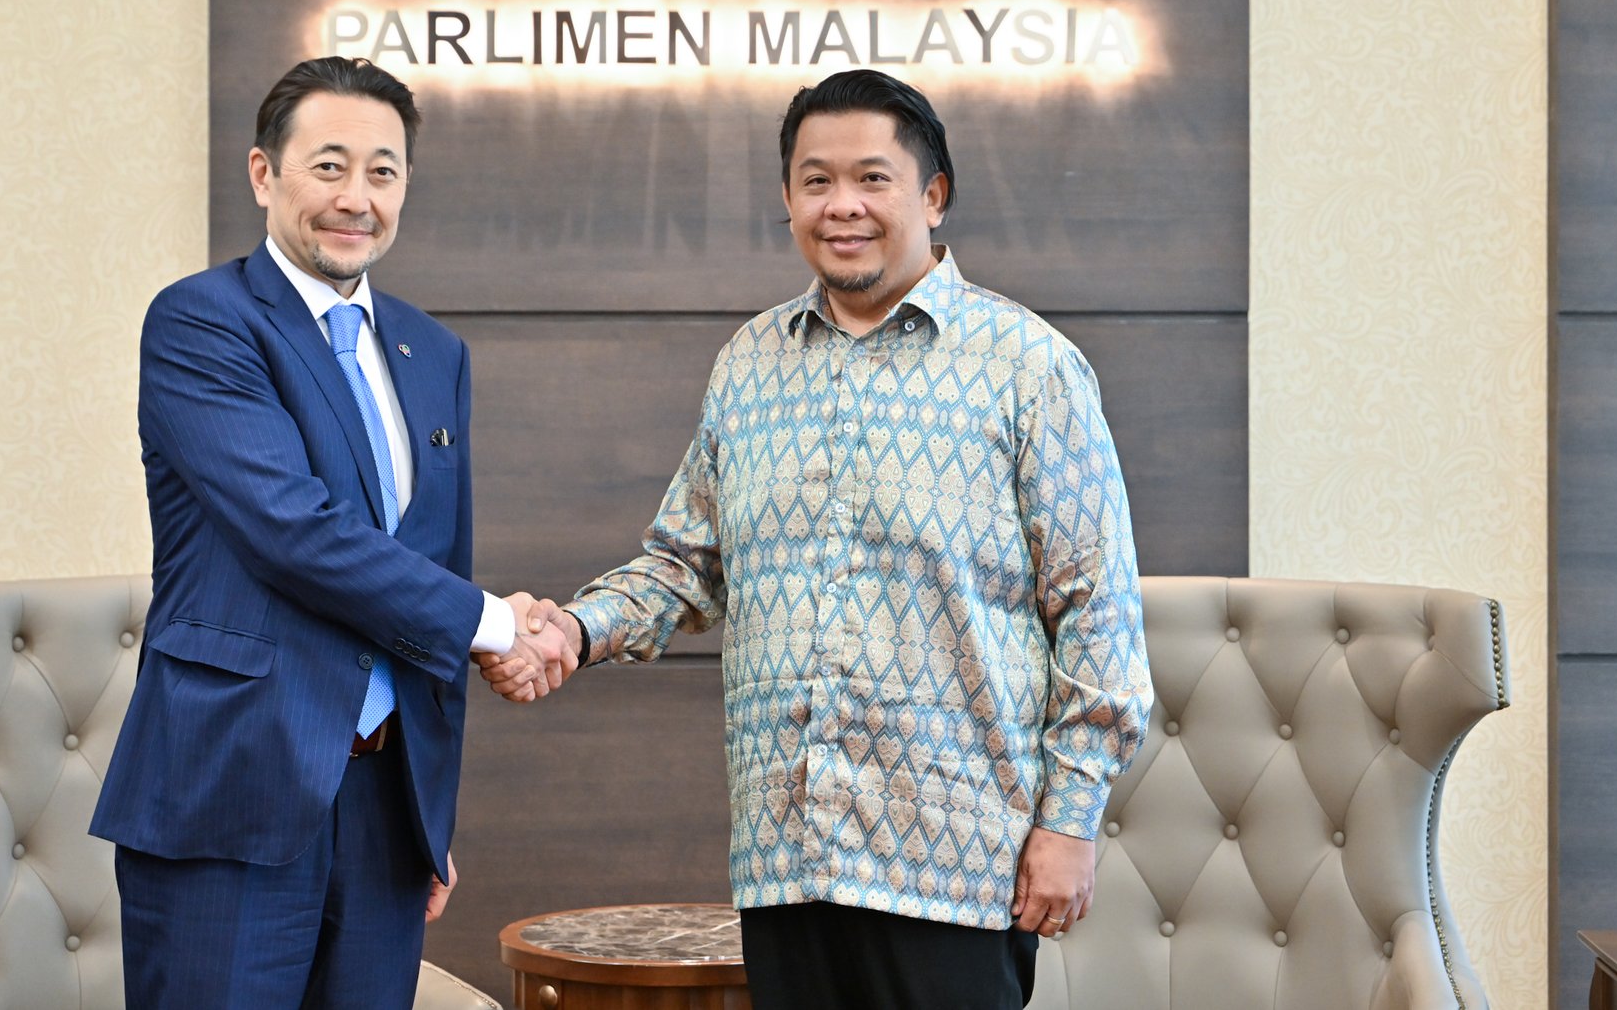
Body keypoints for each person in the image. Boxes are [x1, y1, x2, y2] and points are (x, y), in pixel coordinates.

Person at [482, 68, 1153, 1010]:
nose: (843, 205)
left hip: (957, 865)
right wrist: (572, 630)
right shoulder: (749, 365)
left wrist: (1071, 821)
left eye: (873, 178)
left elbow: (1097, 611)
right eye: (816, 180)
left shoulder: (1030, 367)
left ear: (933, 194)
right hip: (788, 860)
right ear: (789, 198)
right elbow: (686, 564)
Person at [92, 56, 575, 1009]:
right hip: (233, 793)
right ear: (263, 174)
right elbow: (293, 531)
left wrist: (429, 813)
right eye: (329, 166)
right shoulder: (203, 323)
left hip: (385, 811)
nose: (358, 197)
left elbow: (431, 566)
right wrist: (496, 624)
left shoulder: (434, 353)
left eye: (383, 171)